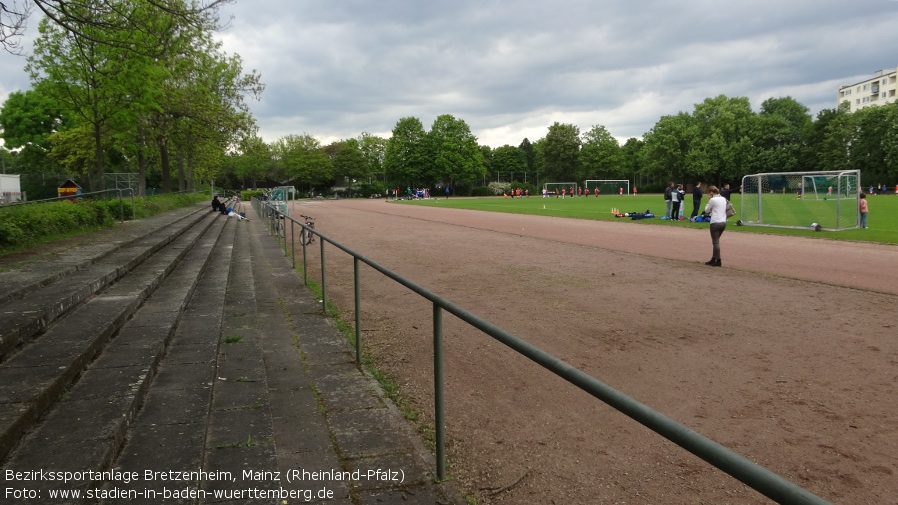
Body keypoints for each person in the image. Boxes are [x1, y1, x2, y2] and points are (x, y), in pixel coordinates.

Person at [703, 186, 728, 266]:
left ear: (711, 193)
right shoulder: (723, 199)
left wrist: (709, 200)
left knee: (715, 242)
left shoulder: (713, 200)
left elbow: (706, 210)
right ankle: (714, 258)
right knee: (715, 241)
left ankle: (718, 260)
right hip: (723, 222)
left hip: (715, 222)